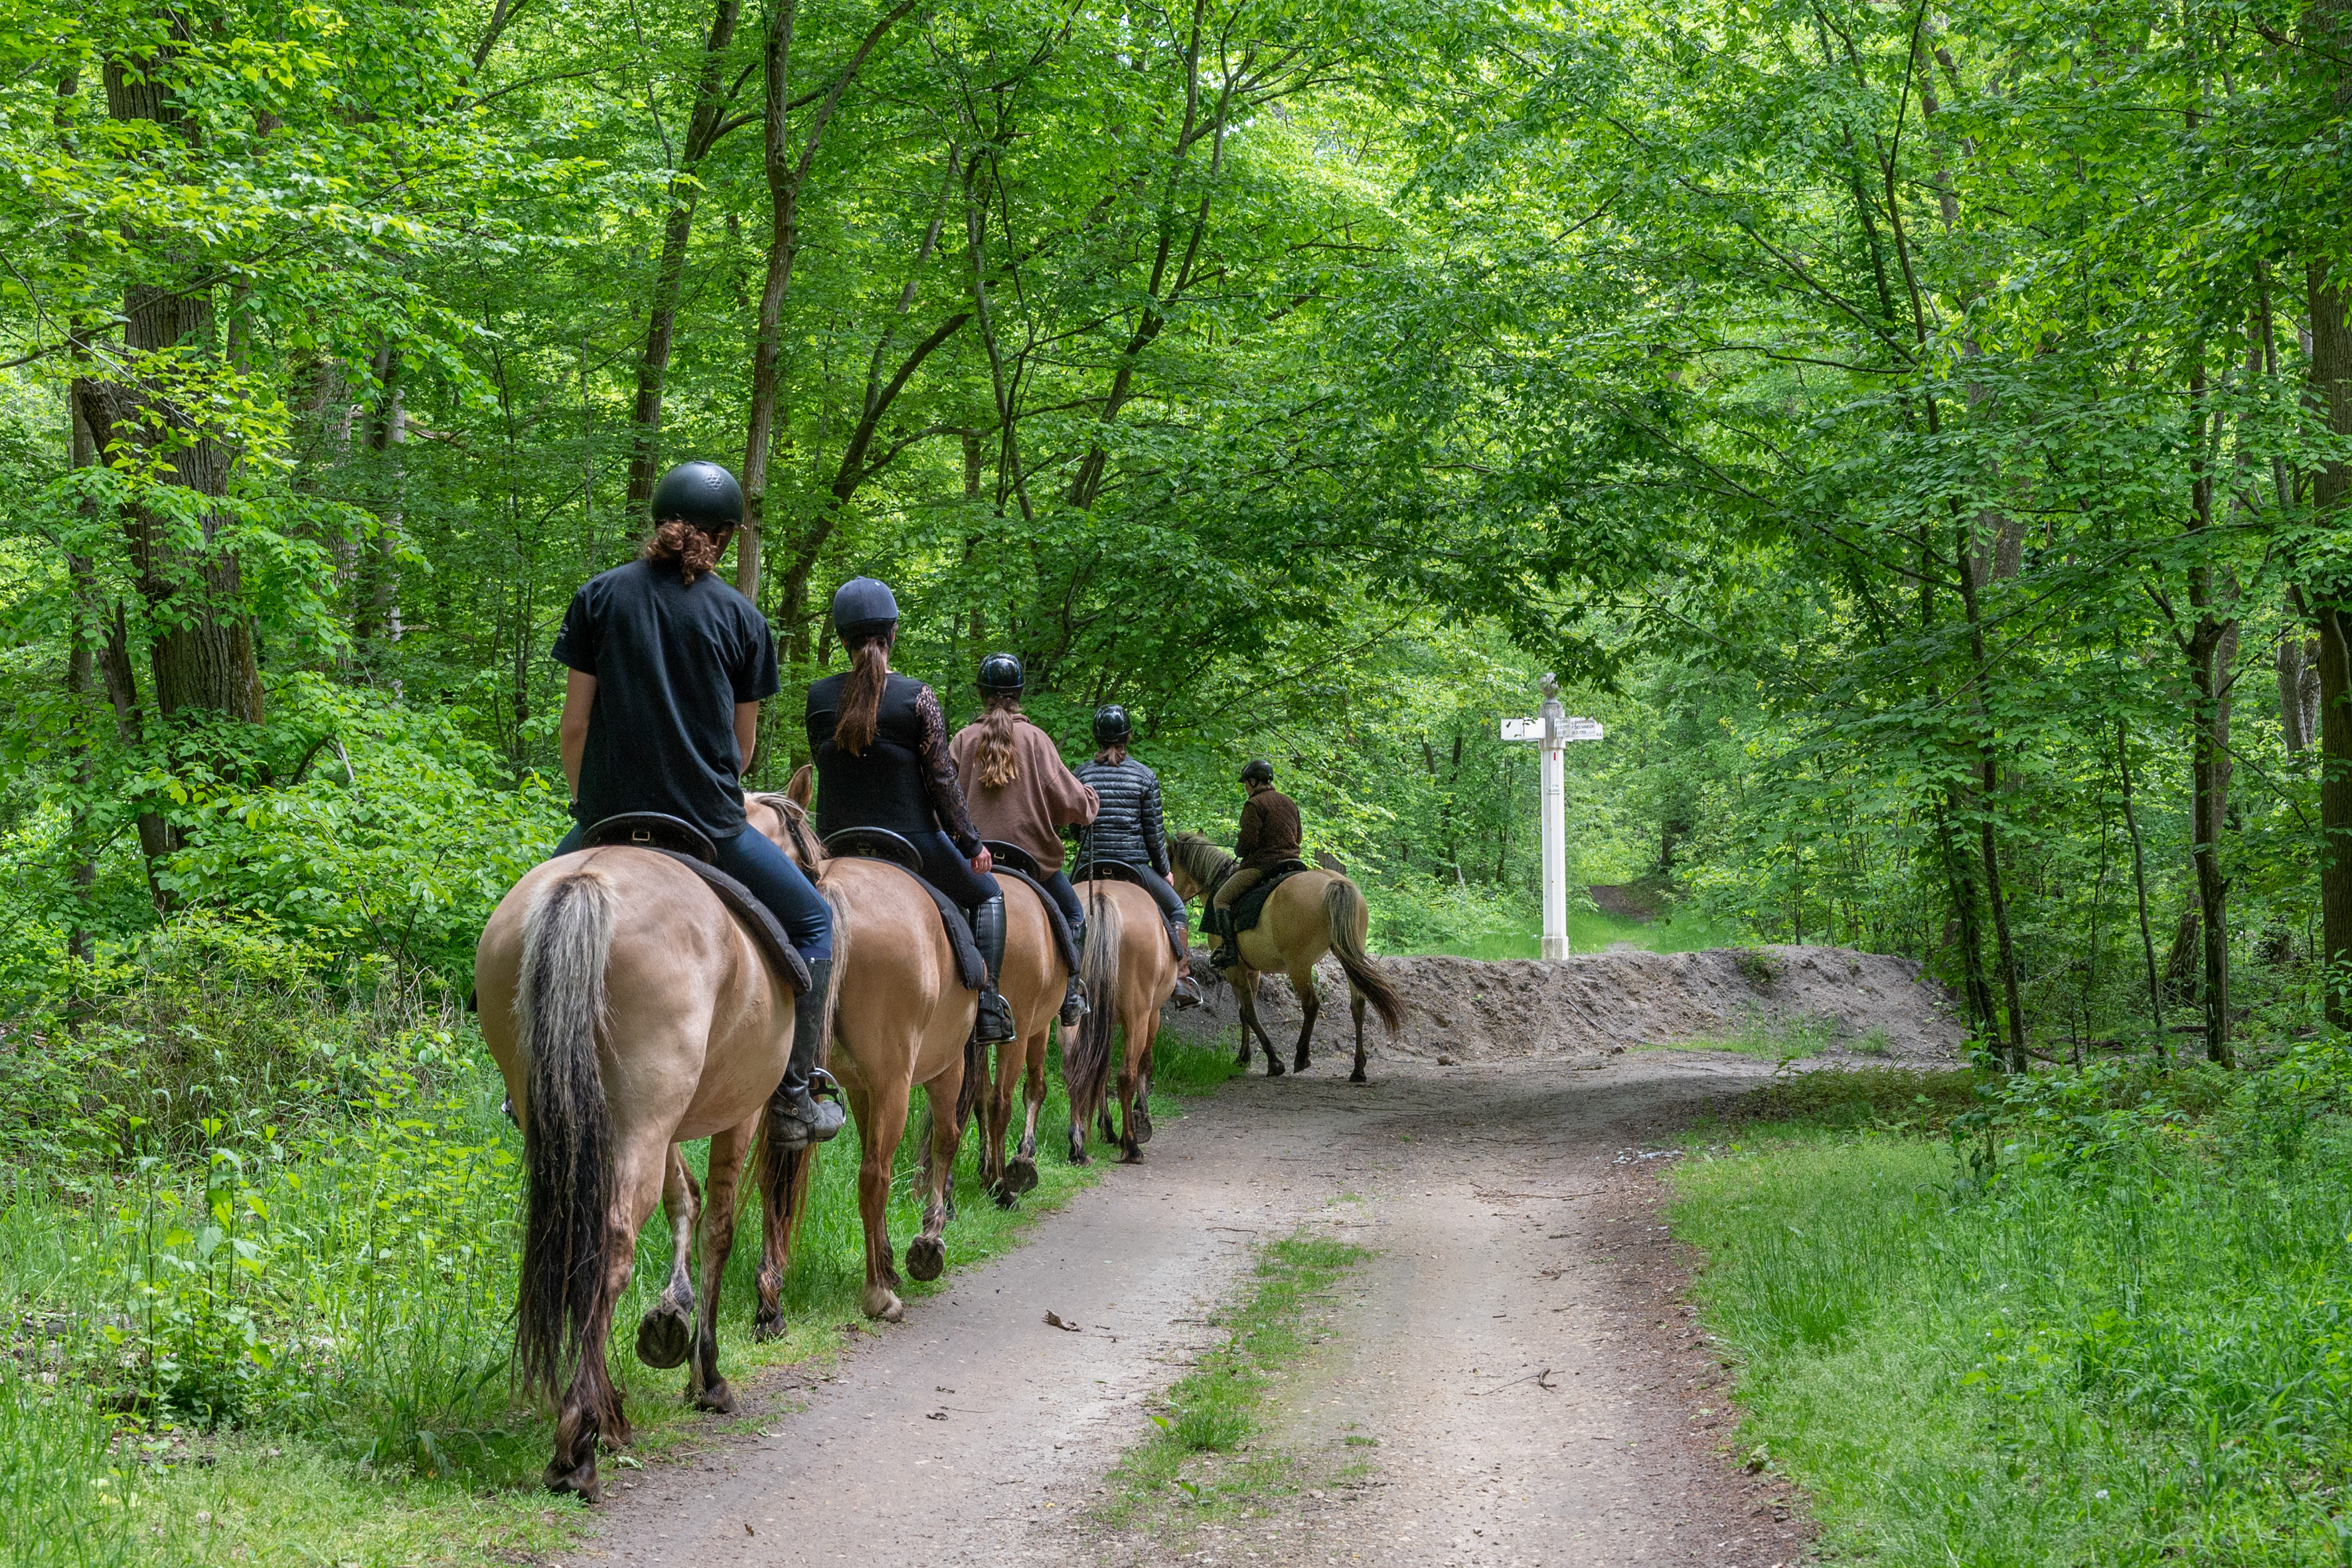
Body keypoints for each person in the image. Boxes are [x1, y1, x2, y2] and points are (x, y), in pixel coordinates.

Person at [551, 459, 842, 1150]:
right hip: (709, 828)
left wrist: (587, 806)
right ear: (723, 536)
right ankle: (795, 1096)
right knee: (814, 923)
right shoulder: (743, 620)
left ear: (661, 522)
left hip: (607, 822)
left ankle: (520, 1080)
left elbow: (574, 728)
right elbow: (740, 753)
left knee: (522, 917)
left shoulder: (597, 597)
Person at [804, 577, 1016, 1045]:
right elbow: (941, 781)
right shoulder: (917, 696)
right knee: (989, 896)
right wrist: (972, 845)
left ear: (842, 640)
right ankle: (987, 1006)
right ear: (893, 633)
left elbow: (824, 766)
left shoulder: (818, 698)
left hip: (836, 843)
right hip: (911, 842)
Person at [947, 653, 1098, 1026]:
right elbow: (1071, 803)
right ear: (1018, 693)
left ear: (981, 693)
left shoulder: (963, 741)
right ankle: (1070, 997)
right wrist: (1089, 801)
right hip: (1031, 867)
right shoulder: (1036, 740)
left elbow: (941, 803)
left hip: (972, 865)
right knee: (1075, 915)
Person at [1073, 705, 1204, 1008]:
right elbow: (1154, 834)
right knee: (1176, 910)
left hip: (1090, 868)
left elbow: (1076, 830)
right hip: (1132, 867)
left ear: (1096, 738)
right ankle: (1182, 980)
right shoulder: (1145, 776)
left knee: (1057, 910)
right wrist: (1164, 869)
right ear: (1128, 737)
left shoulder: (1080, 774)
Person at [1206, 757, 1303, 971]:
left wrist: (1239, 850)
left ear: (1253, 782)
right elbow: (1299, 837)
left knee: (1221, 899)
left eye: (1246, 785)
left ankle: (1229, 951)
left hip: (1263, 866)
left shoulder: (1254, 804)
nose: (1246, 790)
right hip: (1294, 864)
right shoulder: (1289, 802)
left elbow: (1248, 842)